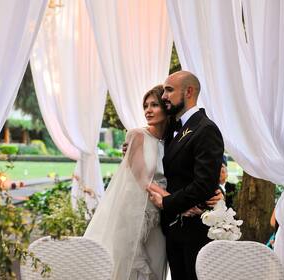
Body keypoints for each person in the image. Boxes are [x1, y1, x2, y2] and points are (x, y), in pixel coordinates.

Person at [85, 85, 222, 280]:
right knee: (129, 264)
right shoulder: (136, 136)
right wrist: (177, 204)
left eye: (154, 105)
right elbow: (144, 180)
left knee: (156, 265)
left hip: (162, 216)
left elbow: (187, 172)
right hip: (136, 211)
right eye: (145, 106)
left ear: (166, 108)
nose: (148, 110)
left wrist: (209, 194)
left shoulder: (173, 140)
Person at [148, 71, 224, 280]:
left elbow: (204, 183)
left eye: (169, 90)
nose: (164, 96)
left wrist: (168, 202)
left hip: (195, 231)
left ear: (189, 92)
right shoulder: (173, 126)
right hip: (173, 229)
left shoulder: (205, 129)